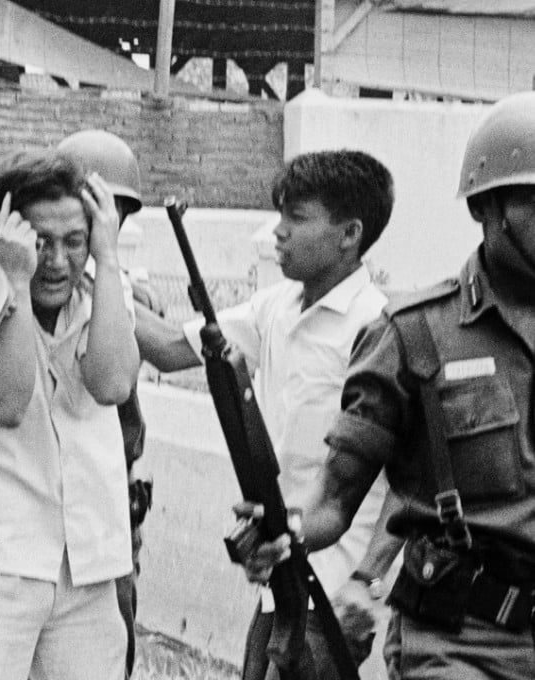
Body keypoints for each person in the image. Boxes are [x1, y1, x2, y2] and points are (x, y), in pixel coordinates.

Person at [240, 92, 535, 680]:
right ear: (487, 206)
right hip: (464, 645)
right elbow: (333, 500)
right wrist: (285, 528)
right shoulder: (414, 337)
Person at [137, 149, 401, 679]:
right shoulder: (275, 308)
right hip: (280, 577)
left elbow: (410, 476)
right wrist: (96, 276)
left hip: (337, 592)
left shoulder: (381, 328)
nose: (277, 232)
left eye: (297, 219)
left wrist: (368, 583)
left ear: (350, 234)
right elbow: (169, 348)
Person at [0, 149, 139, 679]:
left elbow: (111, 382)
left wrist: (108, 261)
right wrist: (14, 283)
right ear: (6, 232)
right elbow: (6, 401)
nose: (59, 262)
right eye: (41, 243)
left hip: (86, 560)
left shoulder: (105, 291)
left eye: (75, 242)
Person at [56, 128, 155, 676]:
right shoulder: (43, 282)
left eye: (114, 213)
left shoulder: (113, 288)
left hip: (110, 506)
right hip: (49, 511)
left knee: (112, 649)